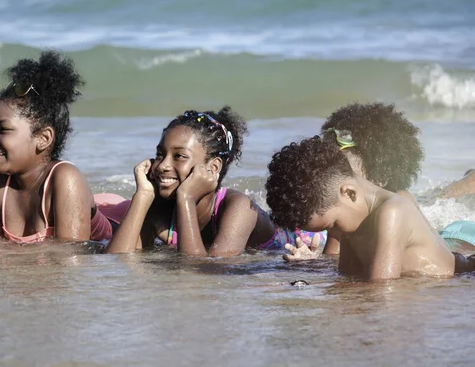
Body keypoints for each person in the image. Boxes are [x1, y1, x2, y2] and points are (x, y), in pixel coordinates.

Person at [0, 51, 129, 252]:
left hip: (117, 223)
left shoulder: (66, 178)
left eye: (3, 130)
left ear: (43, 138)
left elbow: (71, 254)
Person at [105, 107, 321, 257]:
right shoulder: (160, 208)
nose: (162, 166)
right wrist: (142, 195)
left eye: (179, 156)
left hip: (304, 240)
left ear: (213, 167)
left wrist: (186, 198)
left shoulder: (239, 208)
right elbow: (117, 262)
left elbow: (198, 273)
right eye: (160, 154)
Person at [265, 136, 475, 280]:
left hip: (461, 274)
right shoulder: (351, 225)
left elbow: (381, 291)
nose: (333, 235)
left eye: (332, 225)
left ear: (349, 193)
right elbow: (347, 277)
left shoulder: (392, 212)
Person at [285, 102, 426, 259]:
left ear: (381, 178)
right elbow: (334, 262)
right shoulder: (343, 212)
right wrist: (312, 263)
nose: (339, 177)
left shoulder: (400, 204)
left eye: (347, 172)